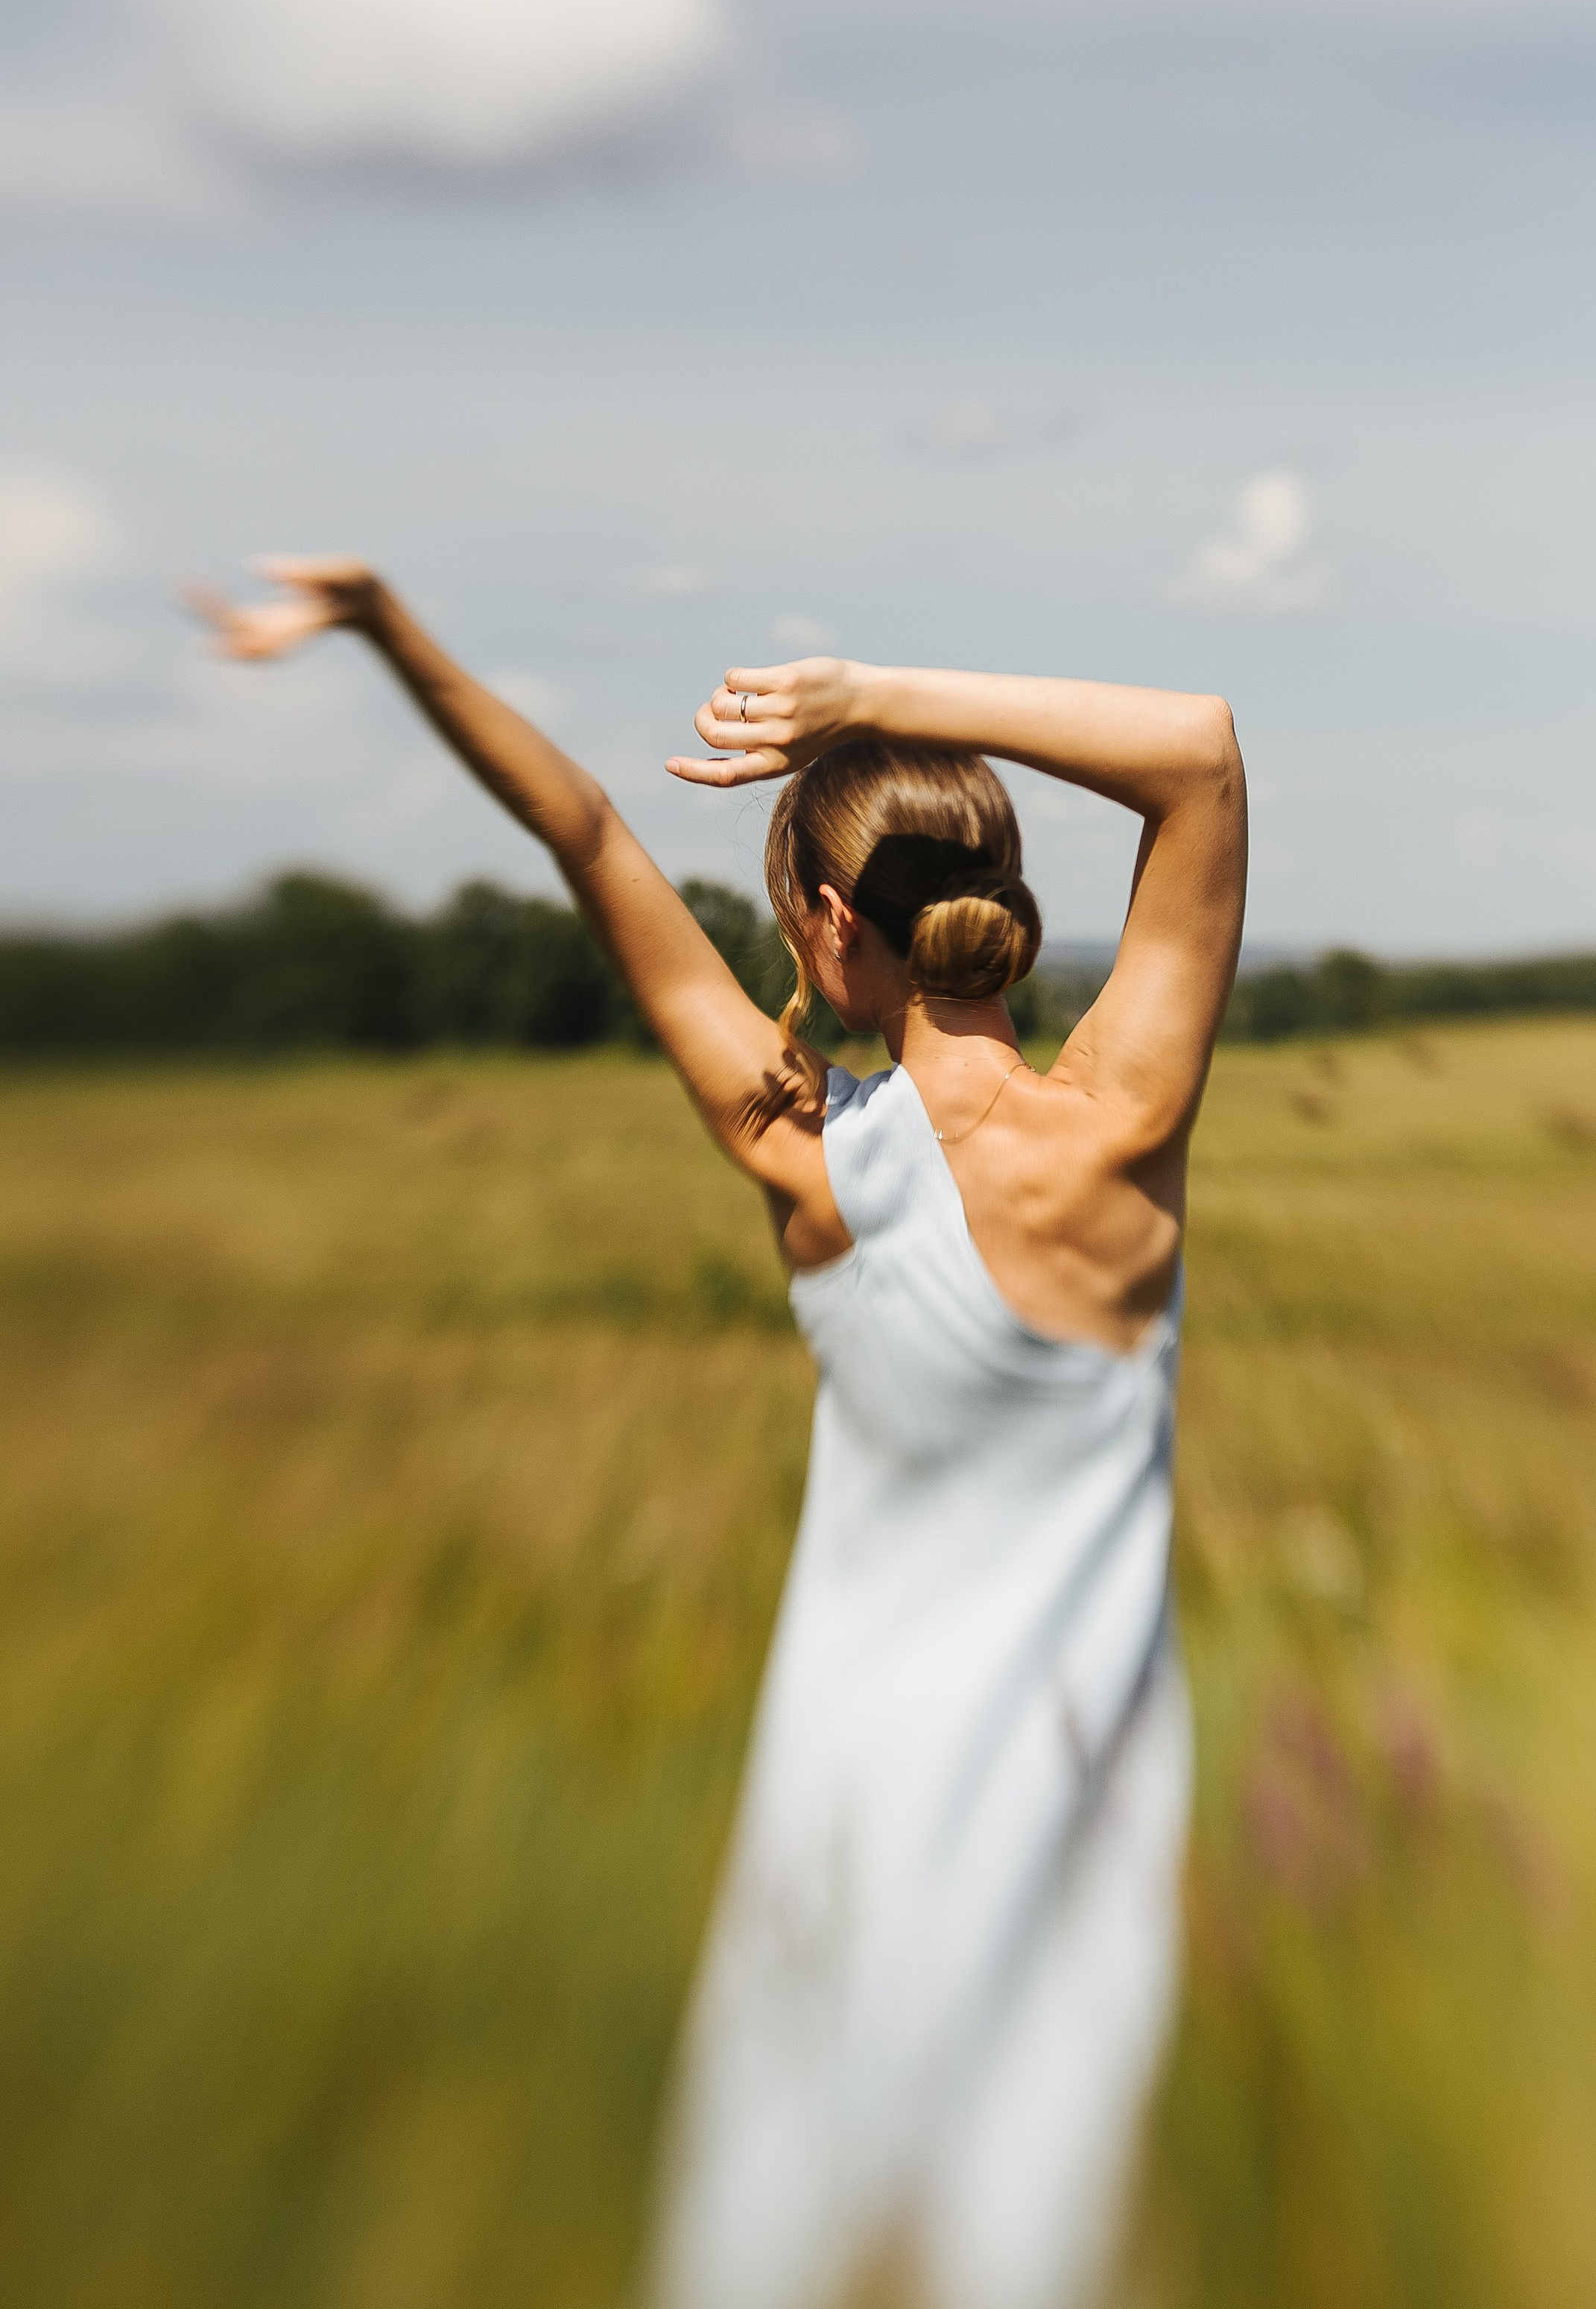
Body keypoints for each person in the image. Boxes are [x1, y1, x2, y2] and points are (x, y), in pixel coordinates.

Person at [192, 556, 1248, 2309]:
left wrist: (391, 632)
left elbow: (590, 834)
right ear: (1000, 905)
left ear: (827, 933)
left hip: (842, 1817)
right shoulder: (1115, 1134)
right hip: (1078, 1816)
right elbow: (1196, 753)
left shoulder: (803, 1151)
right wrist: (878, 698)